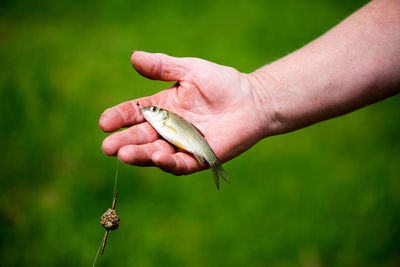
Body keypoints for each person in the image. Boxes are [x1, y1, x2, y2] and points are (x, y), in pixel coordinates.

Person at [99, 0, 399, 175]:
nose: (149, 111)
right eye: (152, 110)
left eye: (152, 110)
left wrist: (258, 97)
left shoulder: (163, 118)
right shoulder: (164, 119)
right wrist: (258, 96)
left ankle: (210, 160)